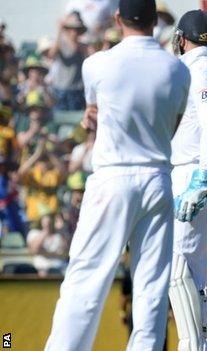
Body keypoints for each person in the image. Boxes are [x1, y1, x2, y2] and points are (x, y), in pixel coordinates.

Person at [45, 1, 191, 350]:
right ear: (155, 21)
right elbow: (172, 124)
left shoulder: (96, 64)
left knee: (86, 278)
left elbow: (97, 111)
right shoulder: (178, 70)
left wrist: (93, 119)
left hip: (113, 177)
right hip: (157, 177)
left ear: (117, 19)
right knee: (152, 286)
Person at [168, 10, 207, 351]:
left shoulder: (202, 72)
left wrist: (202, 177)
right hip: (202, 172)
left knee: (177, 266)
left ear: (181, 39)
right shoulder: (206, 69)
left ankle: (191, 345)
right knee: (204, 263)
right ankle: (206, 342)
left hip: (197, 173)